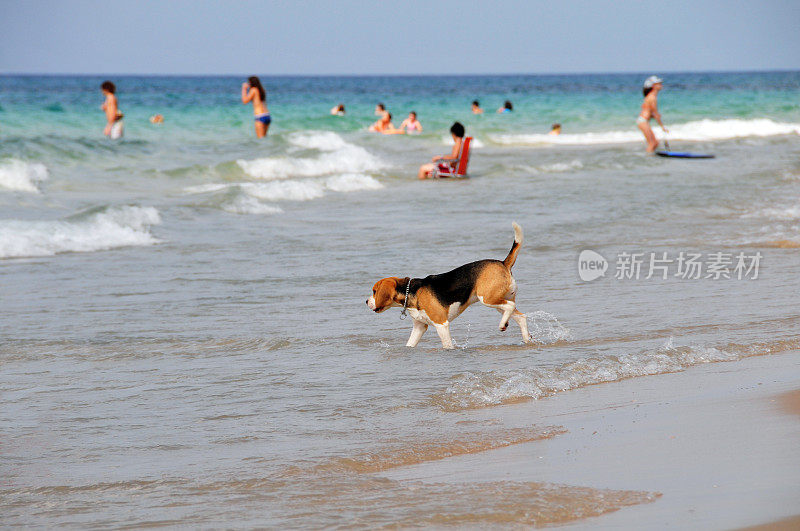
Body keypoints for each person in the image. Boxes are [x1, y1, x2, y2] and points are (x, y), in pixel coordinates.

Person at [637, 75, 667, 152]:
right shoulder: (652, 97)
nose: (661, 85)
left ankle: (650, 157)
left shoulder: (650, 96)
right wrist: (662, 127)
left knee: (655, 143)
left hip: (642, 121)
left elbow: (649, 111)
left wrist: (653, 115)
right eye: (659, 83)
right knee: (652, 143)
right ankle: (647, 159)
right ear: (653, 86)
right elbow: (655, 113)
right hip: (643, 121)